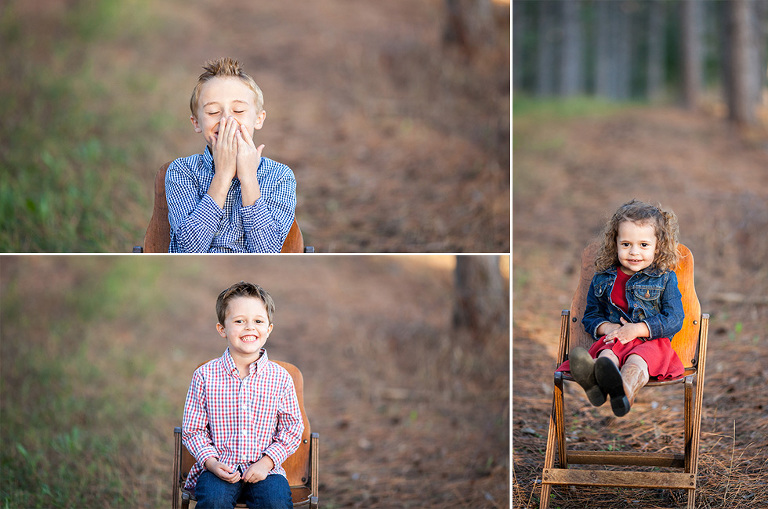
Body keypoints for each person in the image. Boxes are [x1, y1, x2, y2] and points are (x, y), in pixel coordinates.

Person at [558, 200, 685, 417]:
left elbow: (675, 318)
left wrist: (638, 329)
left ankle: (623, 393)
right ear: (615, 243)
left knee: (636, 363)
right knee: (606, 356)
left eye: (643, 245)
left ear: (658, 246)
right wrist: (608, 328)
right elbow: (591, 316)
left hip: (651, 342)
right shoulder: (603, 278)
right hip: (616, 338)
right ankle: (594, 382)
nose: (634, 252)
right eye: (626, 244)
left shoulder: (664, 278)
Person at [182, 282, 303, 509]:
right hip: (220, 468)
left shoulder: (280, 378)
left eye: (258, 321)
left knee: (276, 502)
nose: (249, 328)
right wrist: (212, 462)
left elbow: (292, 428)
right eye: (239, 321)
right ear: (222, 329)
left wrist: (266, 463)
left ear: (269, 329)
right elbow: (194, 429)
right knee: (214, 501)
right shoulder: (205, 376)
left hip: (267, 470)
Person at [166, 57, 296, 252]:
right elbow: (189, 249)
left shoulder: (279, 176)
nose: (227, 119)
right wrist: (223, 175)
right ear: (196, 123)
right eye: (213, 112)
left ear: (258, 119)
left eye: (238, 110)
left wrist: (249, 178)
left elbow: (267, 251)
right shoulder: (182, 172)